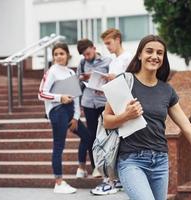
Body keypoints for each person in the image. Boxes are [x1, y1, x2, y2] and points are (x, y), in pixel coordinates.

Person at [101, 35, 191, 200]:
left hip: (160, 161)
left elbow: (188, 128)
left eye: (159, 53)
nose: (154, 56)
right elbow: (107, 121)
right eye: (149, 51)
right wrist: (126, 115)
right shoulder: (124, 82)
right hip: (131, 161)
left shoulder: (166, 90)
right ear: (139, 55)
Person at [38, 42, 92, 194]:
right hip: (58, 111)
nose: (59, 57)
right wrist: (59, 97)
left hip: (70, 112)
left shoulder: (70, 73)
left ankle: (81, 168)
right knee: (59, 146)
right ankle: (59, 182)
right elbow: (41, 93)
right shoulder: (52, 72)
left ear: (67, 55)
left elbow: (75, 97)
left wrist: (75, 117)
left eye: (61, 53)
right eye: (56, 54)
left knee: (87, 137)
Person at [90, 28, 133, 195]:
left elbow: (132, 81)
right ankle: (115, 180)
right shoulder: (113, 61)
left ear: (118, 39)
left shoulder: (128, 58)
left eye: (109, 43)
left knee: (111, 144)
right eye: (105, 44)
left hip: (123, 107)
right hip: (113, 104)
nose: (107, 47)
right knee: (112, 144)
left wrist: (115, 79)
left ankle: (110, 182)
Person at [76, 39, 111, 178]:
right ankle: (95, 167)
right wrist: (82, 78)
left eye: (88, 53)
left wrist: (100, 79)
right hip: (88, 102)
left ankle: (109, 166)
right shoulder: (82, 63)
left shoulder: (107, 61)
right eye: (84, 55)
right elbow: (78, 83)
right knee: (92, 135)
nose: (86, 57)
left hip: (104, 102)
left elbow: (112, 80)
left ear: (94, 48)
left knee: (106, 134)